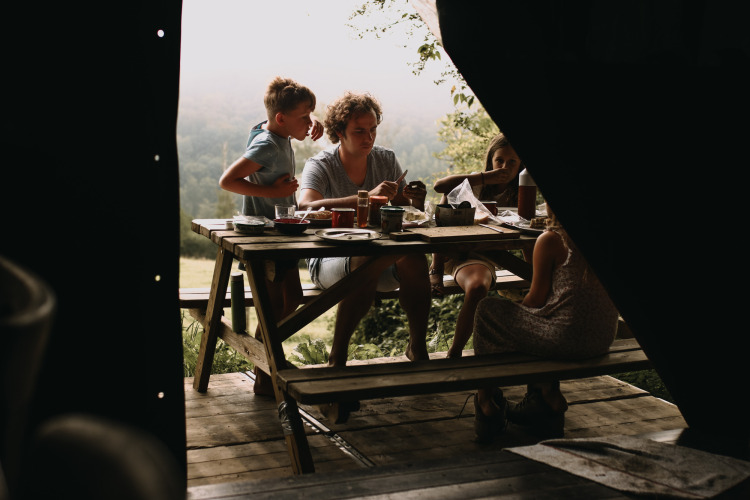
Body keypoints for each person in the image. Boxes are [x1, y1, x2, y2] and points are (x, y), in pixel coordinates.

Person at [298, 91, 431, 369]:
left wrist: (415, 200)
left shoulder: (385, 159)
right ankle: (338, 359)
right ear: (339, 132)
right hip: (328, 261)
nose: (368, 138)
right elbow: (305, 206)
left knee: (416, 259)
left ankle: (417, 348)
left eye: (372, 130)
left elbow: (401, 206)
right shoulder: (321, 164)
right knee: (364, 260)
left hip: (379, 258)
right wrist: (365, 196)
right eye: (359, 131)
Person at [471, 205, 619, 442]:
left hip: (567, 339)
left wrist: (516, 309)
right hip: (602, 337)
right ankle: (547, 392)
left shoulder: (552, 239)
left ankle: (486, 400)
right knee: (549, 316)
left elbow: (536, 299)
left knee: (487, 311)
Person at [218, 76, 323, 396]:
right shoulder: (267, 144)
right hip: (264, 237)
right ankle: (266, 371)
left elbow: (265, 124)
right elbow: (228, 180)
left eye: (310, 115)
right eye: (304, 116)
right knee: (275, 305)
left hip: (282, 232)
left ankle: (267, 359)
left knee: (292, 301)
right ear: (282, 119)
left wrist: (308, 122)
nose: (309, 122)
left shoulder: (273, 131)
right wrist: (271, 190)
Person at [430, 132, 523, 358]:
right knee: (449, 200)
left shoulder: (521, 190)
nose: (505, 167)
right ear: (491, 160)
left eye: (512, 162)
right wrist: (484, 177)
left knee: (481, 287)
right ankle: (436, 267)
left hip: (489, 255)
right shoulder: (477, 183)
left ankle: (459, 353)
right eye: (499, 160)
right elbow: (440, 187)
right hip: (458, 252)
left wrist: (532, 273)